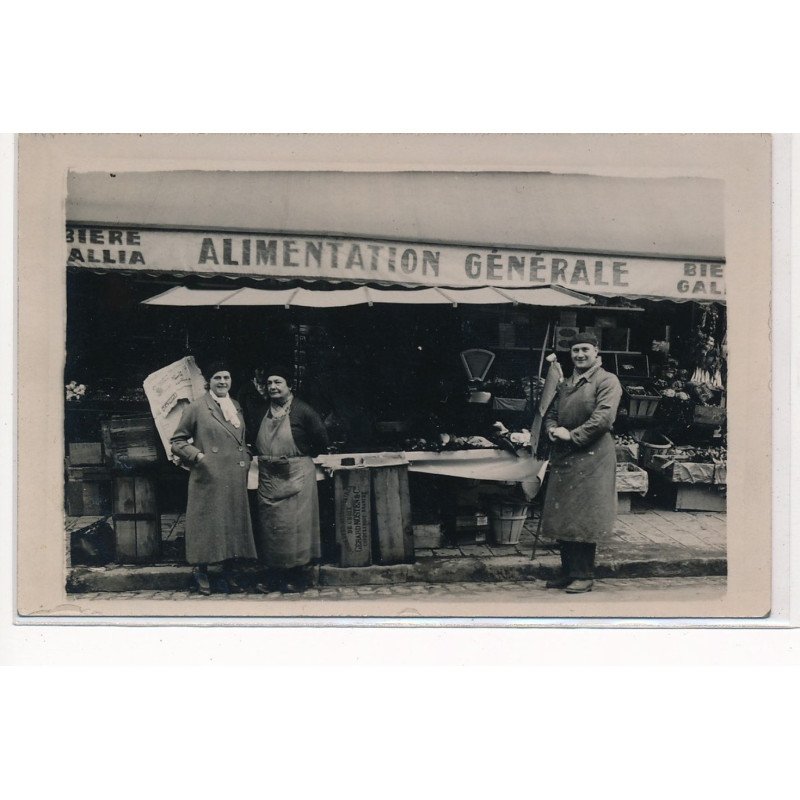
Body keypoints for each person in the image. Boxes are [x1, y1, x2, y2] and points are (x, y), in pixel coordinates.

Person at [540, 333, 622, 593]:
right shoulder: (566, 383)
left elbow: (603, 418)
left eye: (585, 349)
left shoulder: (607, 381)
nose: (580, 355)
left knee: (585, 514)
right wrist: (552, 429)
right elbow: (551, 413)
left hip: (593, 456)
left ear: (596, 351)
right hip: (566, 456)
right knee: (564, 514)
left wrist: (572, 435)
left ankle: (584, 575)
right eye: (575, 350)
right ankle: (568, 572)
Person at [171, 361, 257, 594]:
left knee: (231, 524)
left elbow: (241, 439)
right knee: (206, 524)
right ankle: (201, 571)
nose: (222, 382)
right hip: (209, 476)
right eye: (217, 377)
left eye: (226, 377)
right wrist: (199, 457)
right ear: (209, 381)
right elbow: (177, 442)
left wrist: (246, 456)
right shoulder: (197, 407)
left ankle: (229, 572)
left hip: (234, 475)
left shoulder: (235, 406)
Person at [251, 365, 329, 593]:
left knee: (296, 529)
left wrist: (297, 457)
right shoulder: (261, 411)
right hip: (269, 477)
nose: (273, 387)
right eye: (269, 383)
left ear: (290, 386)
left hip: (296, 475)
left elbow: (321, 441)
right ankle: (273, 577)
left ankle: (298, 577)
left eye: (278, 382)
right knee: (272, 529)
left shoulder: (304, 411)